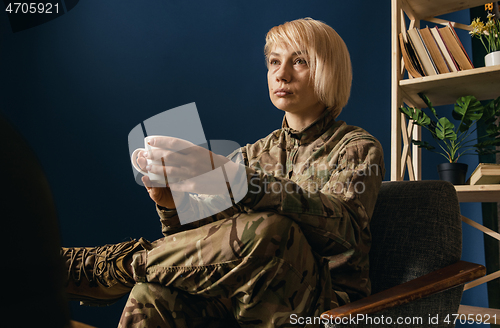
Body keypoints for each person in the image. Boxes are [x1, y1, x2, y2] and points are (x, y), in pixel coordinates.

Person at [62, 17, 385, 327]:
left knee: (273, 229)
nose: (281, 74)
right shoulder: (250, 154)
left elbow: (345, 231)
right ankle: (118, 271)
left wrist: (235, 179)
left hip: (321, 306)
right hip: (239, 299)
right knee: (153, 294)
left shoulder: (355, 147)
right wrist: (173, 203)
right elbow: (202, 249)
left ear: (329, 70)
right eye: (274, 61)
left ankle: (113, 269)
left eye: (299, 61)